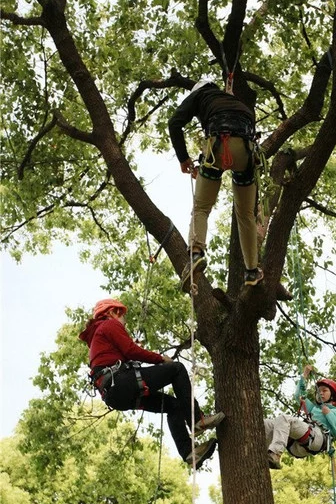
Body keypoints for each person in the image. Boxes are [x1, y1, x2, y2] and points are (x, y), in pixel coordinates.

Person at [79, 298, 225, 468]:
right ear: (112, 312)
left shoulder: (98, 337)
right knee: (176, 369)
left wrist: (130, 350)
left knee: (173, 406)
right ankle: (197, 420)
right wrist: (161, 359)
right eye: (122, 316)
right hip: (121, 382)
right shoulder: (109, 325)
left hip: (116, 395)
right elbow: (131, 351)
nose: (124, 321)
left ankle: (189, 453)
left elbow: (120, 355)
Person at [168, 79, 263, 288]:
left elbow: (174, 123)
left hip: (218, 147)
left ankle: (196, 253)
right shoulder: (232, 100)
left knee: (201, 207)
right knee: (246, 215)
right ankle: (251, 271)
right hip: (246, 152)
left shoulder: (199, 95)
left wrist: (184, 158)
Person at [266, 364, 336, 470]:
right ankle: (262, 453)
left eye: (324, 390)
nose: (320, 393)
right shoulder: (314, 408)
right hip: (297, 444)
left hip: (318, 438)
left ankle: (275, 454)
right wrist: (305, 375)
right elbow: (298, 396)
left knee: (285, 418)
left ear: (332, 395)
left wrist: (329, 414)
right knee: (266, 424)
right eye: (318, 391)